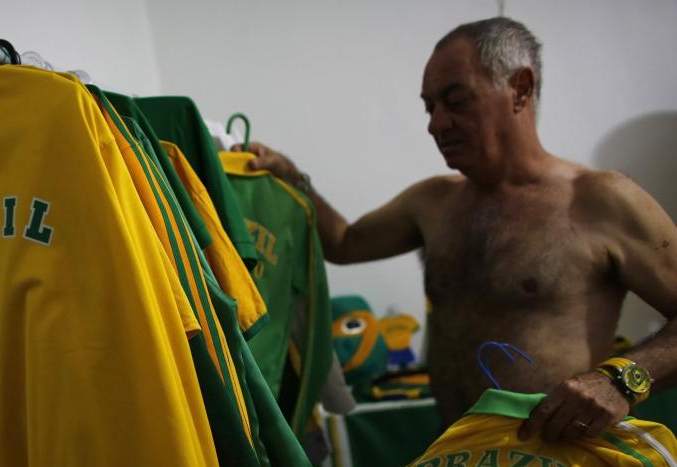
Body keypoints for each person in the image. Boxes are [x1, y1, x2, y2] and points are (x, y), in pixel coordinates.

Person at [242, 17, 677, 442]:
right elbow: (342, 242)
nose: (436, 123)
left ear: (520, 89)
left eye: (456, 100)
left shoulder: (602, 200)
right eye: (430, 106)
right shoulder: (431, 202)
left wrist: (621, 381)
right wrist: (291, 177)